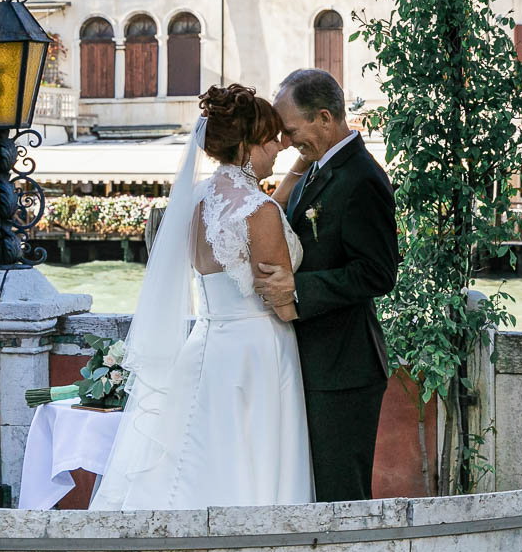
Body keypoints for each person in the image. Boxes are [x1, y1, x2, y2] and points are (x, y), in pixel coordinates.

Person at [90, 84, 314, 511]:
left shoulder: (197, 201)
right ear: (248, 146)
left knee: (193, 456)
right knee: (254, 459)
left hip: (206, 346)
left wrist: (297, 169)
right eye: (270, 139)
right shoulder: (259, 212)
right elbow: (281, 303)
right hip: (257, 352)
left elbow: (259, 212)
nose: (280, 147)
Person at [255, 69, 398, 502]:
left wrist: (297, 290)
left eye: (291, 130)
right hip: (313, 360)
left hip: (344, 367)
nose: (285, 141)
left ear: (323, 118)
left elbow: (378, 272)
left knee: (340, 495)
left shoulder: (362, 179)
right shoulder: (319, 167)